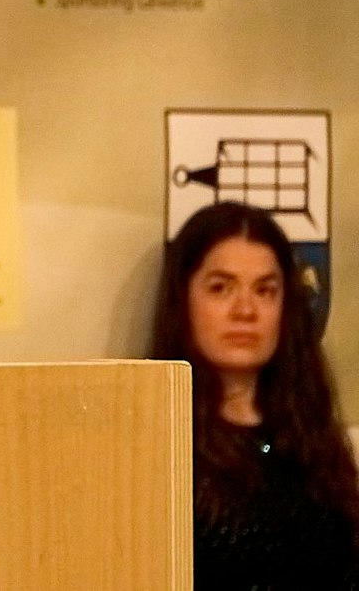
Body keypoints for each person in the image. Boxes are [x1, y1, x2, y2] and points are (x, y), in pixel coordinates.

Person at [151, 202, 359, 589]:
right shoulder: (156, 445)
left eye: (265, 290)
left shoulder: (314, 442)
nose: (245, 310)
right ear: (182, 300)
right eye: (221, 288)